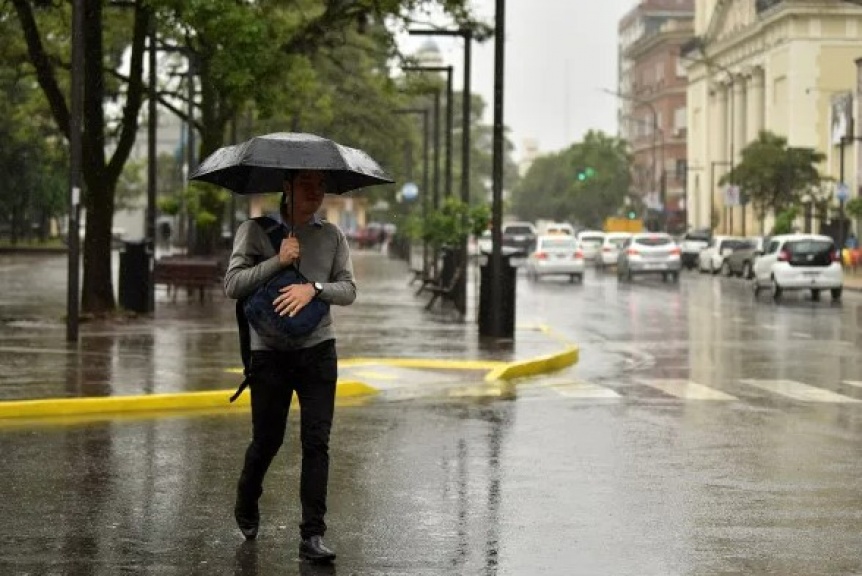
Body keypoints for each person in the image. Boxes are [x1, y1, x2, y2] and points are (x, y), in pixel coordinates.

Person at [223, 170, 356, 563]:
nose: (317, 193)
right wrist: (278, 262)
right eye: (307, 185)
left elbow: (348, 289)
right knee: (268, 439)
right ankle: (247, 496)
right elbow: (232, 285)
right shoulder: (255, 230)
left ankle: (312, 535)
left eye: (321, 186)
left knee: (317, 442)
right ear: (287, 187)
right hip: (270, 353)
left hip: (318, 350)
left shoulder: (332, 236)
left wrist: (313, 288)